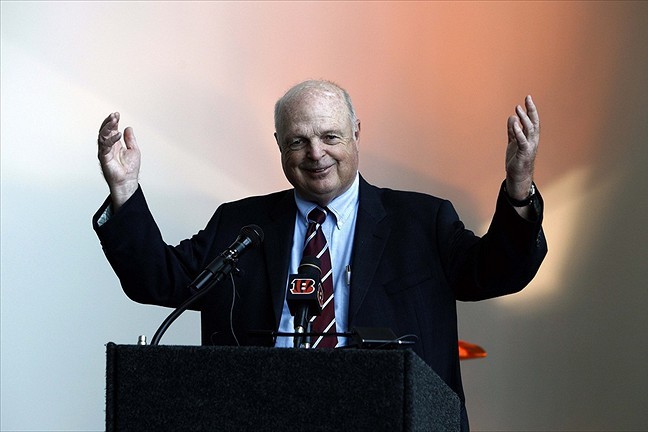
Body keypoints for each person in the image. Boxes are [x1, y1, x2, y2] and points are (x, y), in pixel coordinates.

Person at [93, 80, 547, 430]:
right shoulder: (240, 225)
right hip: (260, 418)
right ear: (278, 143)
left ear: (356, 133)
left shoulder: (421, 220)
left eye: (330, 136)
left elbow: (497, 272)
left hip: (390, 419)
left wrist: (519, 187)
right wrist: (125, 193)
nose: (316, 154)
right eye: (297, 141)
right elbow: (160, 281)